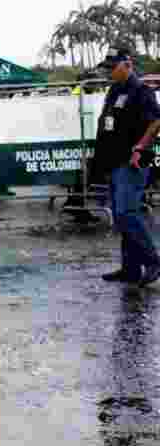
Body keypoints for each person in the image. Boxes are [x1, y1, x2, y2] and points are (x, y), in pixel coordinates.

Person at [94, 48, 160, 287]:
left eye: (113, 67)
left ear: (127, 64)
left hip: (131, 161)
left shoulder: (141, 91)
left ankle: (153, 261)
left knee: (126, 213)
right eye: (108, 67)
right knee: (121, 217)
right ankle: (130, 269)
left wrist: (140, 148)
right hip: (114, 161)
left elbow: (155, 121)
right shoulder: (114, 90)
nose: (110, 71)